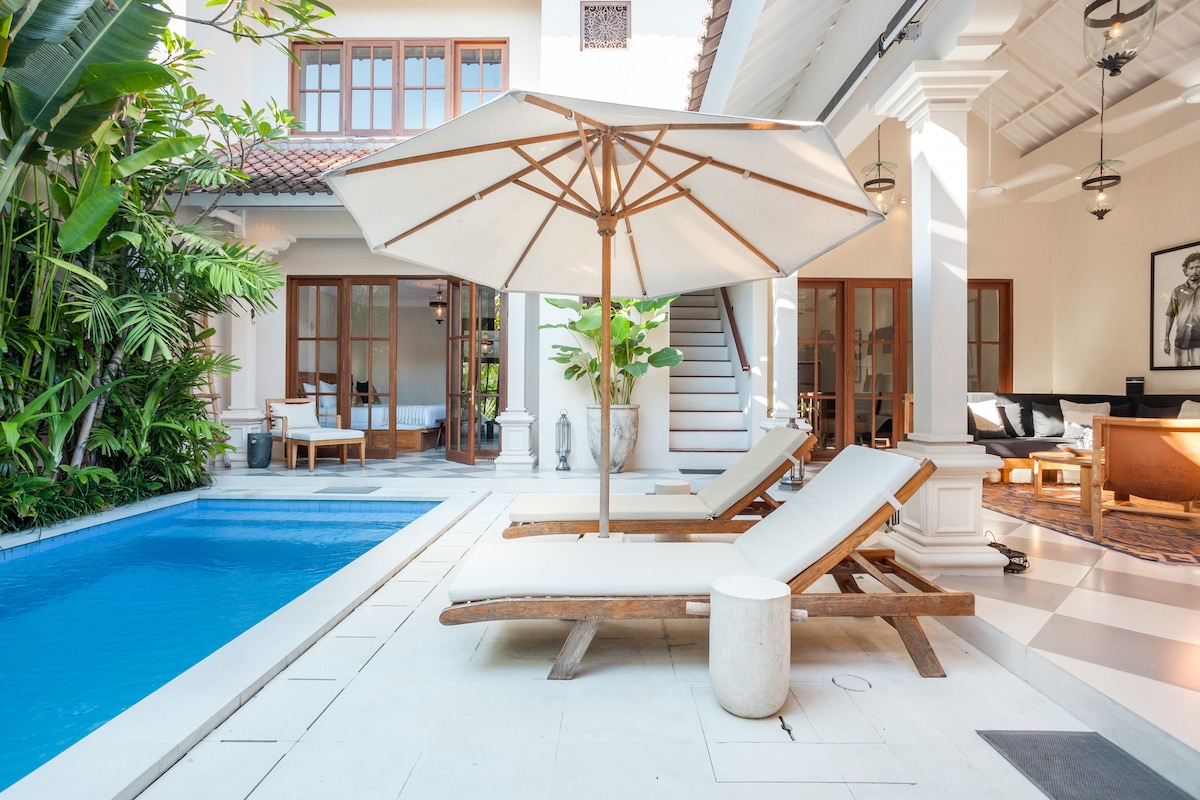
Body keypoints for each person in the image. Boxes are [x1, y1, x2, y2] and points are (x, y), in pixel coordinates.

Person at [1164, 251, 1200, 367]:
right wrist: (1166, 339)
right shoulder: (1177, 291)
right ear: (1185, 271)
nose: (1194, 271)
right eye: (1191, 268)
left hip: (1199, 343)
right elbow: (1171, 315)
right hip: (1181, 341)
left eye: (1198, 267)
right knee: (1177, 375)